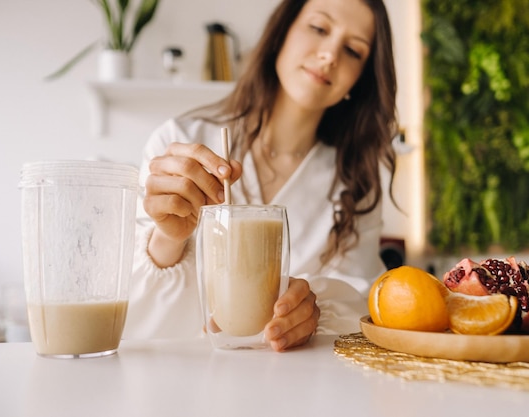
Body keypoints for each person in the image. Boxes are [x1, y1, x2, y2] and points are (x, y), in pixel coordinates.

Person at [123, 0, 399, 352]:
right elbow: (133, 314)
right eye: (319, 28)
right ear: (281, 32)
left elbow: (362, 298)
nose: (330, 55)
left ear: (359, 80)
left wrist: (314, 310)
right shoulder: (179, 142)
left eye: (352, 50)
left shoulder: (356, 180)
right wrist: (167, 239)